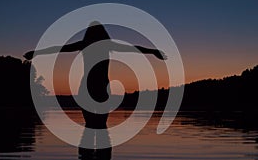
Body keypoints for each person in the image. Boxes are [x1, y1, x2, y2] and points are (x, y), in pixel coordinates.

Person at [24, 21, 167, 129]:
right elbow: (135, 48)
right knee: (100, 125)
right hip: (100, 87)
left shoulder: (87, 44)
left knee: (91, 124)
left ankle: (88, 154)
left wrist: (35, 53)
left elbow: (57, 49)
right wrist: (153, 51)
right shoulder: (106, 45)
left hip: (88, 87)